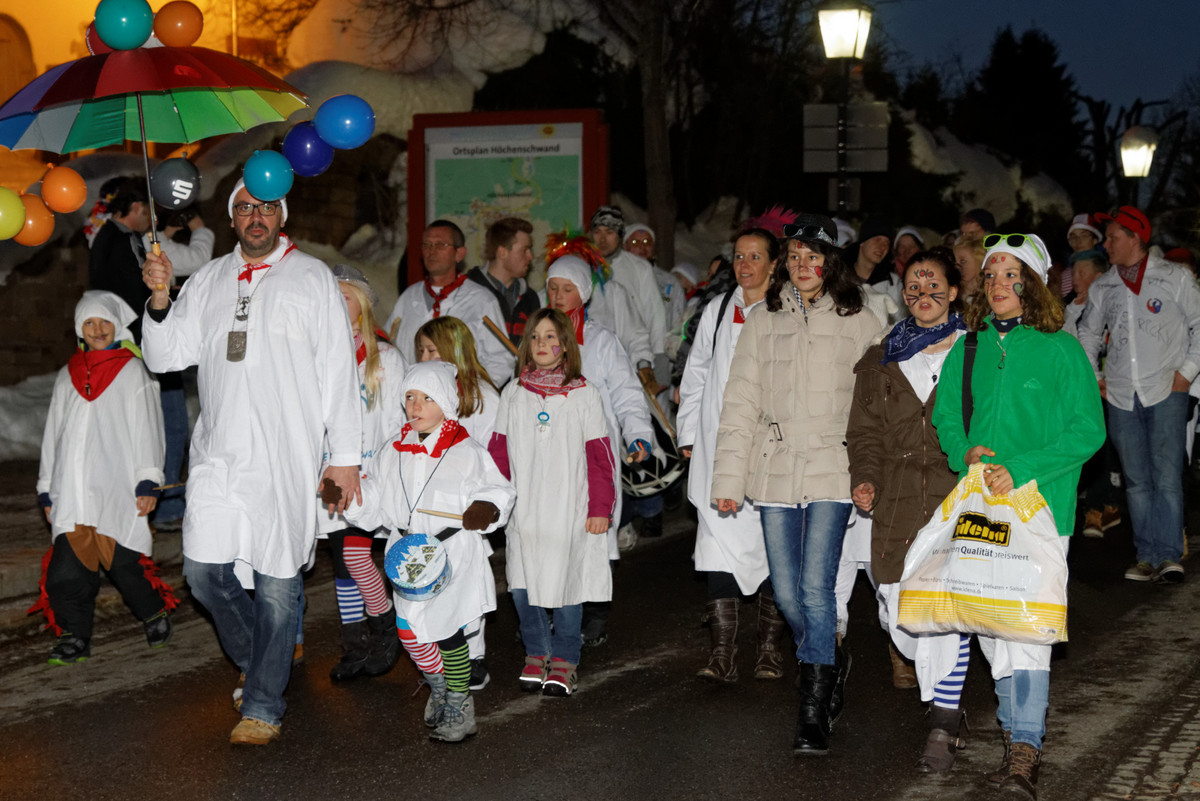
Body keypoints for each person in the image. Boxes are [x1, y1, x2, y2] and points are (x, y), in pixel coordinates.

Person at [140, 178, 362, 746]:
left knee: (277, 584)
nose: (254, 217)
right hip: (218, 455)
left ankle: (263, 703)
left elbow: (339, 371)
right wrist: (161, 297)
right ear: (232, 217)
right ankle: (262, 659)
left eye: (265, 208)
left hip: (285, 457)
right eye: (244, 207)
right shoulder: (210, 278)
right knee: (203, 573)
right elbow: (165, 356)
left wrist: (344, 458)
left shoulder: (311, 277)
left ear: (281, 215)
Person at [932, 232, 1104, 799]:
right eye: (990, 274)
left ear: (1032, 283)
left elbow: (1088, 430)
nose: (998, 284)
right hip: (982, 507)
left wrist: (1023, 468)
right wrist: (965, 452)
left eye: (1011, 274)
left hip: (1040, 508)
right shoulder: (968, 348)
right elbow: (947, 417)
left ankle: (1026, 750)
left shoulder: (1062, 350)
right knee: (991, 627)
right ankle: (1015, 738)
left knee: (1028, 630)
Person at [711, 214, 881, 755]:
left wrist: (871, 469)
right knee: (785, 592)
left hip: (834, 463)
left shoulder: (861, 319)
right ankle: (831, 657)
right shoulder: (763, 319)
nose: (804, 265)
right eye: (795, 256)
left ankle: (812, 711)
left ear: (831, 262)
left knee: (815, 589)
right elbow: (740, 403)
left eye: (814, 256)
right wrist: (728, 477)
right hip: (776, 464)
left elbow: (879, 402)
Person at [345, 360, 515, 743]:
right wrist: (351, 497)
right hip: (408, 555)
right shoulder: (393, 449)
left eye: (427, 398)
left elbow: (498, 488)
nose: (416, 405)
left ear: (446, 403)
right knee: (409, 630)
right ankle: (439, 685)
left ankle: (459, 703)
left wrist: (486, 507)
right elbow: (375, 498)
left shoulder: (466, 450)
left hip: (452, 552)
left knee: (447, 630)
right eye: (410, 397)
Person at [846, 247, 965, 771]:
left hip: (955, 495)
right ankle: (941, 699)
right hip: (895, 498)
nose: (923, 295)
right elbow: (864, 432)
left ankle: (944, 723)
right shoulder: (881, 357)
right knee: (898, 612)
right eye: (914, 288)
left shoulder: (976, 352)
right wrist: (865, 477)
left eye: (934, 286)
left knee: (947, 610)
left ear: (953, 292)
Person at [32, 290, 176, 665]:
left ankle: (153, 611)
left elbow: (148, 428)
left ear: (117, 325)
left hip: (117, 486)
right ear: (79, 328)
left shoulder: (133, 371)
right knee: (67, 570)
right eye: (89, 323)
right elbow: (53, 434)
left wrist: (148, 478)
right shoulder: (68, 375)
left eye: (104, 322)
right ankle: (74, 636)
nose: (97, 329)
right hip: (72, 490)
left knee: (125, 564)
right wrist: (46, 488)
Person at [489, 309, 616, 696]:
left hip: (569, 509)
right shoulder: (513, 393)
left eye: (550, 337)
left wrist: (600, 508)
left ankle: (564, 658)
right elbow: (498, 454)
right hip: (524, 509)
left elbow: (600, 457)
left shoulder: (584, 394)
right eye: (535, 337)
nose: (541, 344)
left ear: (565, 345)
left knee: (566, 585)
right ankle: (536, 652)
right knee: (522, 584)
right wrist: (494, 500)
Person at [1077, 206, 1200, 584]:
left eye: (1113, 237)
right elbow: (1087, 334)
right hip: (1120, 395)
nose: (1106, 244)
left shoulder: (1174, 276)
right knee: (1136, 480)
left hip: (1166, 389)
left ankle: (1169, 555)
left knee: (1166, 476)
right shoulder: (1104, 286)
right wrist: (1094, 376)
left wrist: (1186, 373)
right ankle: (1146, 556)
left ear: (1135, 237)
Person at [677, 227, 779, 683]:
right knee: (716, 543)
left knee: (773, 546)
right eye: (739, 256)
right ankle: (723, 654)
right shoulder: (718, 309)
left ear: (773, 265)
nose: (745, 265)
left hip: (769, 452)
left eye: (755, 256)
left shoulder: (786, 310)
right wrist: (688, 432)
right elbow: (697, 373)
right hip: (717, 448)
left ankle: (770, 650)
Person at [544, 251, 654, 646]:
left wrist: (637, 433)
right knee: (555, 536)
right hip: (551, 457)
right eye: (553, 288)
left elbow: (626, 392)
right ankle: (558, 608)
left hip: (594, 457)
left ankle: (594, 613)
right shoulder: (539, 339)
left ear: (583, 294)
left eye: (567, 289)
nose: (558, 296)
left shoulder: (601, 340)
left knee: (594, 534)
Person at [322, 264, 407, 682]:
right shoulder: (318, 355)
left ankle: (385, 625)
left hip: (370, 472)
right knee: (343, 563)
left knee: (357, 556)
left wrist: (384, 474)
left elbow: (396, 423)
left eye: (345, 296)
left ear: (363, 304)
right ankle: (354, 645)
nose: (336, 304)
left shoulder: (385, 358)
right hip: (329, 474)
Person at [415, 314, 502, 688]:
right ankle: (442, 652)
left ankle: (473, 656)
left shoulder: (482, 399)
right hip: (431, 507)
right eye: (421, 351)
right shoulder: (422, 398)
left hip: (466, 506)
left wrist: (483, 501)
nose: (425, 357)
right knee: (434, 582)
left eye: (433, 350)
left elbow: (494, 458)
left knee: (468, 583)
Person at [386, 220, 515, 384]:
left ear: (459, 253)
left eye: (440, 245)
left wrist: (472, 391)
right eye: (426, 245)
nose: (431, 251)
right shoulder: (408, 297)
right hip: (413, 394)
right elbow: (388, 348)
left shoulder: (481, 300)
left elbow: (501, 360)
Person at [1063, 250, 1122, 538]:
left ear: (1100, 277)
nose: (1075, 278)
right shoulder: (1068, 309)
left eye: (1082, 273)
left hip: (1106, 387)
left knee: (1105, 446)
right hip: (1075, 388)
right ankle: (1096, 505)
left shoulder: (1112, 307)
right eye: (1073, 272)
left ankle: (1100, 507)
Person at [589, 206, 668, 385]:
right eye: (597, 232)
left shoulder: (639, 268)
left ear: (619, 235)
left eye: (609, 232)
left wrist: (658, 357)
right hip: (594, 360)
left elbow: (655, 314)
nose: (602, 239)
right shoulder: (583, 267)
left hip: (633, 360)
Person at [467, 217, 539, 348]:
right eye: (525, 250)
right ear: (502, 252)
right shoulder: (467, 292)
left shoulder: (530, 298)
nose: (530, 256)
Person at [953, 232, 986, 304]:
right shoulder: (951, 298)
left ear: (980, 261)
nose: (957, 266)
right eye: (954, 261)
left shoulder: (990, 298)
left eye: (963, 261)